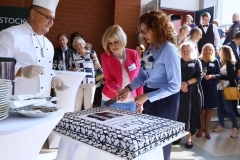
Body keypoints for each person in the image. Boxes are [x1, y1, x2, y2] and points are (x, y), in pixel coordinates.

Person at [118, 11, 181, 160]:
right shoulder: (150, 48)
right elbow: (143, 75)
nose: (144, 34)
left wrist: (147, 96)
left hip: (166, 100)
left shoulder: (169, 49)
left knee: (161, 142)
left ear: (158, 27)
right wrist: (127, 89)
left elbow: (175, 85)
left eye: (147, 30)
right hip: (150, 96)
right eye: (142, 31)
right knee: (149, 141)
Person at [0, 0, 64, 96]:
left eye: (53, 19)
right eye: (48, 17)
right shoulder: (10, 36)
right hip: (16, 107)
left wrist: (54, 78)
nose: (51, 23)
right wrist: (20, 72)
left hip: (44, 105)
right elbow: (1, 71)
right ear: (33, 14)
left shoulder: (49, 44)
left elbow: (47, 70)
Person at [101, 25, 143, 112]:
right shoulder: (105, 56)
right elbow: (109, 80)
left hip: (131, 101)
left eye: (116, 41)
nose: (113, 46)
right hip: (110, 99)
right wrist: (119, 90)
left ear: (122, 39)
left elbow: (139, 79)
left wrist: (140, 103)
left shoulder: (133, 54)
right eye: (110, 43)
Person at [173, 42, 203, 149]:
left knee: (190, 114)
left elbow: (199, 76)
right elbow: (173, 74)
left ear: (192, 51)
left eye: (187, 50)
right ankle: (177, 136)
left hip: (192, 93)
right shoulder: (177, 61)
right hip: (178, 92)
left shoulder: (196, 62)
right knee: (178, 113)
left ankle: (189, 138)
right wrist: (181, 83)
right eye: (183, 50)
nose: (185, 52)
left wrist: (187, 83)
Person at [213, 45, 239, 138]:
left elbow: (232, 77)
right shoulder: (222, 63)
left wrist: (219, 76)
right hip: (220, 88)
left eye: (221, 51)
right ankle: (221, 125)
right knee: (220, 108)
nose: (219, 52)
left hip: (227, 88)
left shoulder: (229, 63)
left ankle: (235, 128)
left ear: (225, 53)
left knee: (228, 109)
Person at [196, 43, 220, 140]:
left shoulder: (215, 61)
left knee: (209, 109)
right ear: (203, 50)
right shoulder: (199, 60)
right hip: (201, 87)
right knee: (201, 108)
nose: (207, 51)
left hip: (211, 88)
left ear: (212, 51)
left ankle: (206, 129)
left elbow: (219, 74)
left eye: (210, 50)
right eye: (206, 49)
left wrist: (211, 76)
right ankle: (201, 128)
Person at [69, 37, 100, 110]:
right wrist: (73, 69)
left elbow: (97, 67)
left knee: (88, 106)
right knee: (77, 105)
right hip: (78, 83)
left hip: (90, 82)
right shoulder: (73, 55)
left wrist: (95, 59)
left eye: (80, 44)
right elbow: (69, 68)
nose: (78, 46)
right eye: (76, 45)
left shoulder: (92, 53)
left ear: (83, 44)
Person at [227, 31, 240, 117]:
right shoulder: (229, 46)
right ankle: (232, 112)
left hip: (237, 73)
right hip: (232, 73)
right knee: (232, 93)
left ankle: (234, 111)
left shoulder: (237, 46)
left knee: (235, 93)